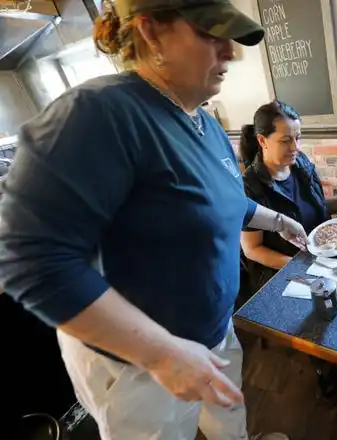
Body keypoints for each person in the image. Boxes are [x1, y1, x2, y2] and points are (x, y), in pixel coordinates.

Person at [0, 1, 308, 439]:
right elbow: (29, 261)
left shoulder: (205, 123)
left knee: (227, 417)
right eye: (210, 35)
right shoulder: (97, 114)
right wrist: (162, 354)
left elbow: (225, 204)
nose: (231, 53)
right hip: (140, 366)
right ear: (151, 33)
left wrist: (278, 221)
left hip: (213, 331)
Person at [240, 100, 337, 292]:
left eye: (298, 137)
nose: (295, 146)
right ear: (262, 140)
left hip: (325, 256)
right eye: (285, 140)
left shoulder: (301, 163)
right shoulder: (250, 186)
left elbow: (315, 207)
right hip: (285, 273)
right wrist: (301, 266)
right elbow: (252, 249)